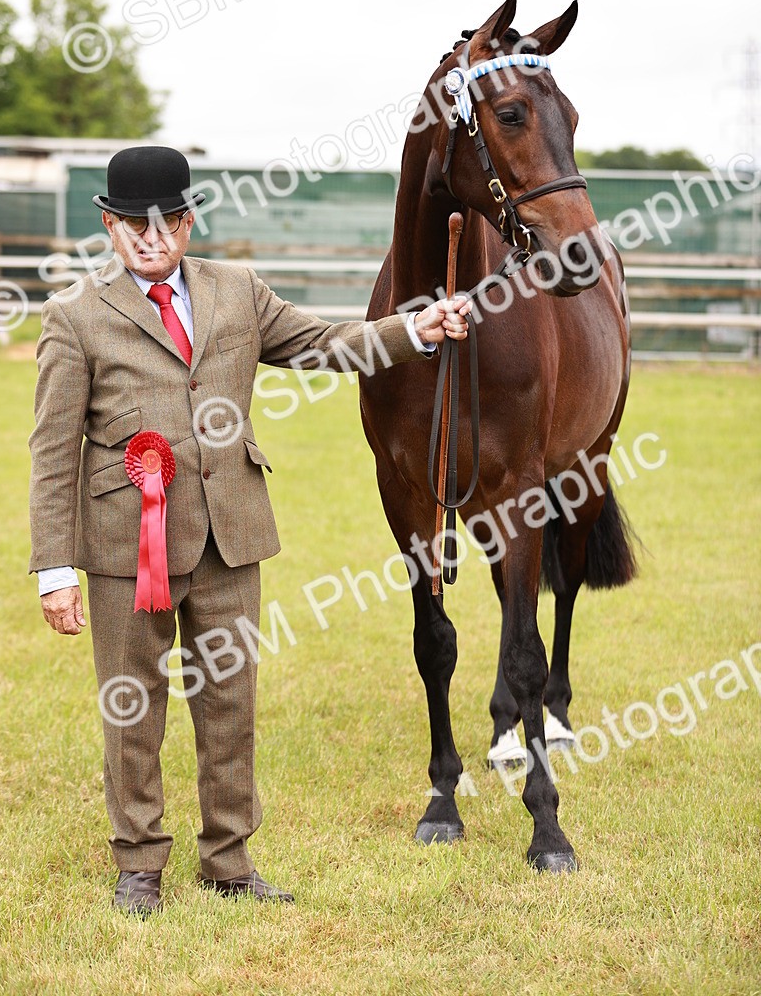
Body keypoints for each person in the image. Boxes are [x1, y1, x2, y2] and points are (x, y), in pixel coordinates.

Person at [29, 146, 470, 917]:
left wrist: (417, 328)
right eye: (132, 222)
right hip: (122, 546)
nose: (149, 235)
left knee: (231, 704)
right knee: (133, 705)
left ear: (189, 220)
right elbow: (52, 448)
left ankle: (229, 860)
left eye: (165, 219)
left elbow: (328, 342)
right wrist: (54, 569)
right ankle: (139, 864)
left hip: (232, 534)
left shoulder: (237, 291)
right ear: (107, 224)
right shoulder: (75, 317)